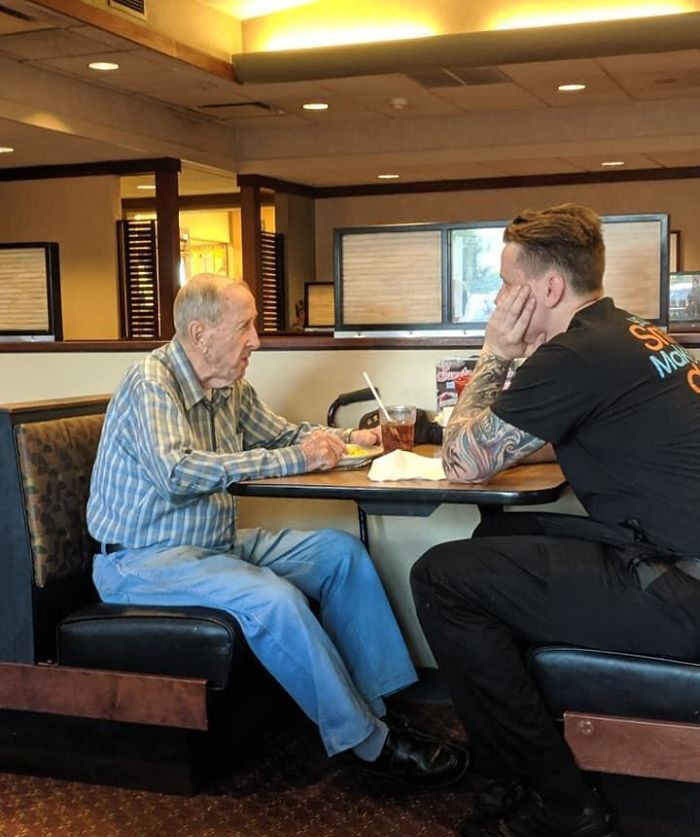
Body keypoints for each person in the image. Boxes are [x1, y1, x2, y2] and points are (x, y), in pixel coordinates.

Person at [87, 273, 467, 789]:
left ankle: (380, 709)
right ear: (200, 334)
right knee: (274, 598)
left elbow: (287, 434)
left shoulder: (229, 388)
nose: (257, 341)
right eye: (245, 327)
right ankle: (366, 744)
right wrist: (296, 456)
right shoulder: (151, 382)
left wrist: (353, 437)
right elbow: (176, 472)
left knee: (339, 553)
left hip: (213, 547)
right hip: (143, 560)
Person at [411, 203, 700, 837]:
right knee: (490, 544)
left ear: (546, 289)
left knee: (440, 576)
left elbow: (462, 463)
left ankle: (564, 808)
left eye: (507, 283)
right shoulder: (628, 333)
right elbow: (542, 439)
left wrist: (493, 353)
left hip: (679, 585)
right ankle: (508, 767)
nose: (499, 297)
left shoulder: (571, 354)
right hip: (673, 557)